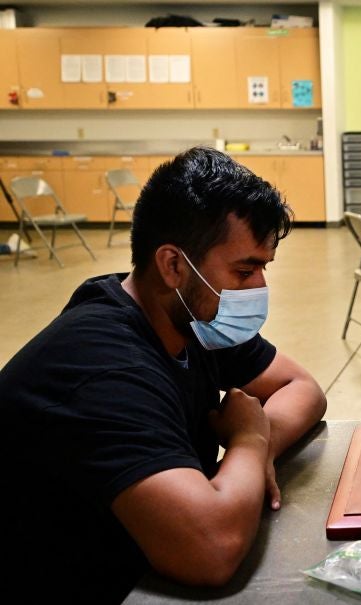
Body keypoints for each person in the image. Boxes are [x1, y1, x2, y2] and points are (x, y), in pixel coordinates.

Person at [0, 147, 328, 603]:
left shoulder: (191, 318)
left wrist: (252, 454)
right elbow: (211, 550)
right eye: (244, 270)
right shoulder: (101, 365)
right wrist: (249, 442)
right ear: (173, 265)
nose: (259, 288)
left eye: (263, 268)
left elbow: (304, 389)